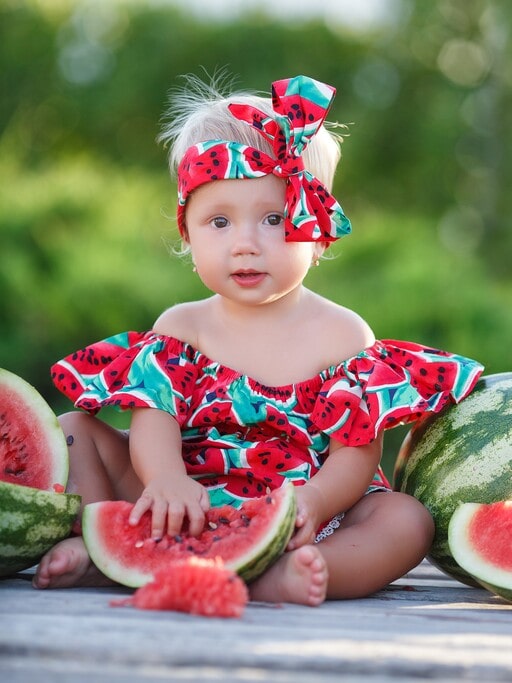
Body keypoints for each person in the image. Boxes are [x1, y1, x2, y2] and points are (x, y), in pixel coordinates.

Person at [33, 75, 483, 604]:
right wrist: (166, 478)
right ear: (187, 234)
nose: (245, 245)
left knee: (405, 519)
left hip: (306, 519)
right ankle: (105, 548)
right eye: (219, 222)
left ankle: (297, 575)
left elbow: (356, 456)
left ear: (317, 231)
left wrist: (316, 500)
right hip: (185, 505)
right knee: (72, 430)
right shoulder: (182, 327)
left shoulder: (343, 335)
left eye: (273, 219)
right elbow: (152, 419)